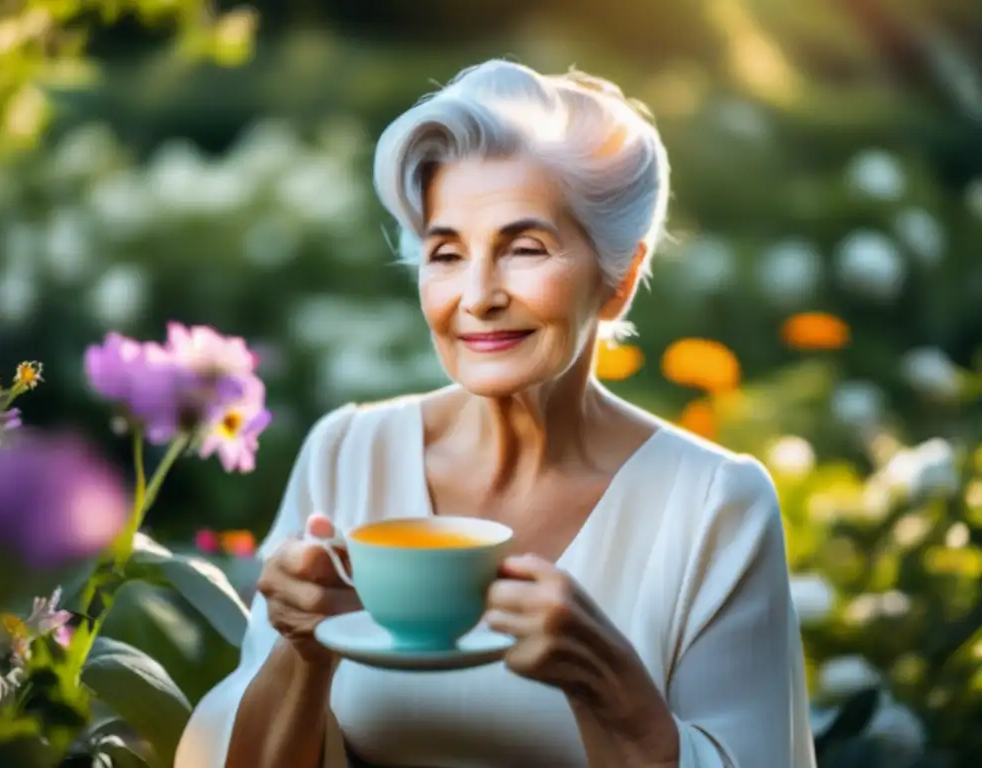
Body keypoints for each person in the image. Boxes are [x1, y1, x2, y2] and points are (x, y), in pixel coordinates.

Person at [175, 59, 818, 768]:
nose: (477, 295)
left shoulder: (713, 505)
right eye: (446, 253)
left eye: (523, 249)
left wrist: (610, 688)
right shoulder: (347, 453)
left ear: (620, 280)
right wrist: (301, 649)